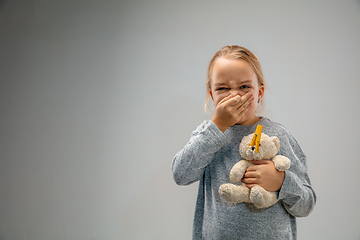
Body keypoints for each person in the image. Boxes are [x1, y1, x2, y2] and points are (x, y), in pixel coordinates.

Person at [172, 45, 316, 240]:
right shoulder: (208, 134)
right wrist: (217, 126)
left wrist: (282, 182)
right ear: (212, 95)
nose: (235, 95)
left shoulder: (279, 135)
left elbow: (306, 205)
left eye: (244, 87)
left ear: (260, 93)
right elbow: (181, 174)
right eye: (223, 88)